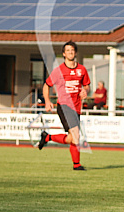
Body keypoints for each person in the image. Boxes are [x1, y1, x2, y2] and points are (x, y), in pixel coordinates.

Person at [38, 41, 91, 171]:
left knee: (72, 138)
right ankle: (76, 165)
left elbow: (87, 85)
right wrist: (47, 100)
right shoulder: (59, 71)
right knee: (76, 136)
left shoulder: (82, 69)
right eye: (68, 50)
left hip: (77, 108)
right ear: (63, 54)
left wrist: (86, 91)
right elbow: (47, 85)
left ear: (75, 52)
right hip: (64, 106)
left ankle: (47, 137)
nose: (70, 52)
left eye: (72, 50)